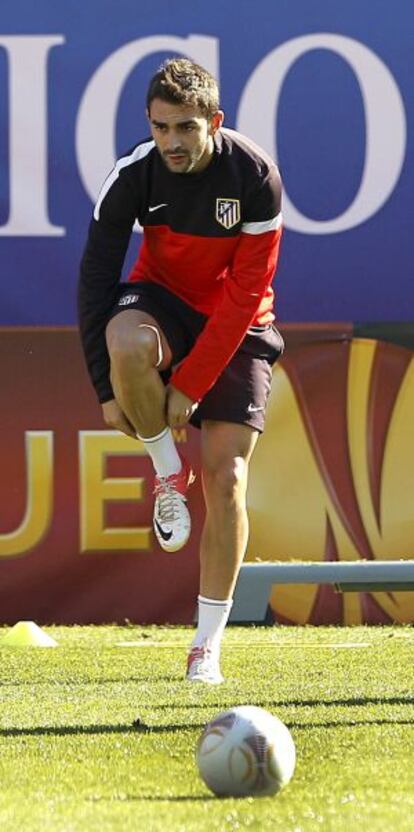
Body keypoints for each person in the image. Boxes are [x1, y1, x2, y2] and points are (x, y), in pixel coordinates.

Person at [78, 58, 284, 684]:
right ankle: (168, 473)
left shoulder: (255, 177)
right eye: (161, 127)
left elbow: (246, 296)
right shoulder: (134, 174)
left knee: (227, 482)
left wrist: (191, 384)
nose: (170, 141)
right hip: (161, 302)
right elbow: (96, 280)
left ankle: (206, 648)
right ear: (149, 122)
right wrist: (104, 387)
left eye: (185, 128)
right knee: (126, 342)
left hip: (238, 324)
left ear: (213, 123)